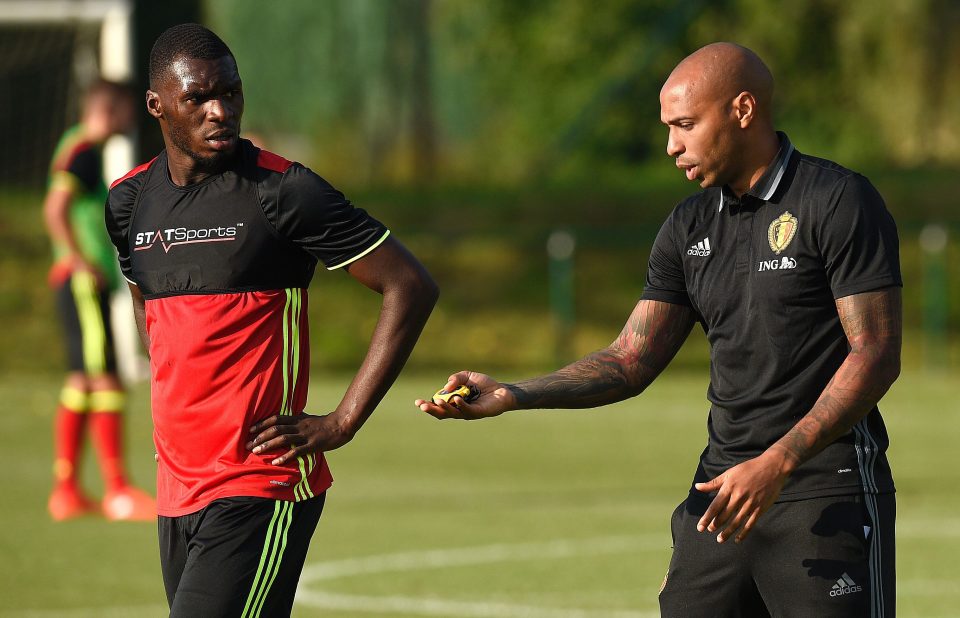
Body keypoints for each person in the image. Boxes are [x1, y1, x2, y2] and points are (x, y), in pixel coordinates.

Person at [417, 42, 901, 617]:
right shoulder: (687, 226)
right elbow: (629, 360)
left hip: (823, 491)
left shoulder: (837, 199)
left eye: (686, 126)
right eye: (669, 128)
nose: (672, 145)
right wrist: (514, 394)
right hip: (718, 499)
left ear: (743, 110)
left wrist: (778, 461)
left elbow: (875, 353)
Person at [105, 23, 437, 616]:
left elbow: (409, 285)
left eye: (231, 93)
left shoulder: (283, 192)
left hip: (261, 482)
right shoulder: (129, 199)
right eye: (199, 98)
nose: (220, 111)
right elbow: (144, 300)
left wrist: (342, 422)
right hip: (177, 488)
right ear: (157, 105)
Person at [44, 79, 157, 522]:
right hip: (79, 280)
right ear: (109, 110)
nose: (131, 121)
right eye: (128, 111)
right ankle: (117, 491)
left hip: (78, 280)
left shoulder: (77, 147)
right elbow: (55, 208)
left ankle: (67, 491)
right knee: (104, 379)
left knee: (84, 380)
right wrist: (77, 259)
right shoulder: (83, 150)